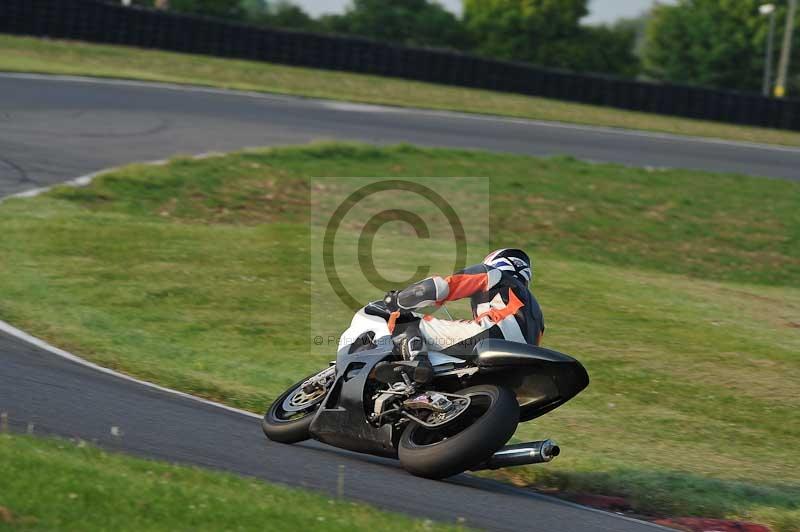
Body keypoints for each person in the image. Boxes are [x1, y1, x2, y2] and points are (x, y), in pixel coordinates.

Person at [383, 249, 545, 371]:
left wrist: (399, 299)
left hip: (491, 336)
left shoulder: (493, 273)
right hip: (522, 361)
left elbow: (440, 287)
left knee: (404, 320)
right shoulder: (536, 313)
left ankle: (417, 365)